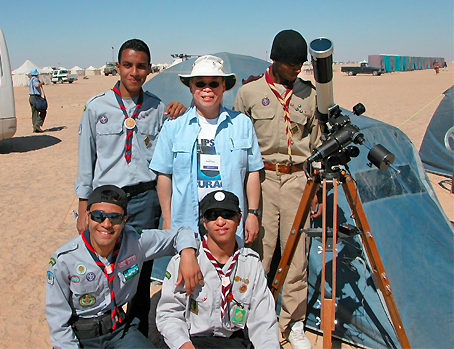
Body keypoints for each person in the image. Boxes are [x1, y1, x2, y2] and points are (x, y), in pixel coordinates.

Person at [74, 38, 187, 337]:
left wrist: (181, 110)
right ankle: (103, 326)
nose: (133, 72)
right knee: (103, 265)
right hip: (107, 202)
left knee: (140, 267)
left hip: (144, 199)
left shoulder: (157, 107)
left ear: (149, 69)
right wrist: (83, 207)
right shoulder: (96, 107)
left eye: (140, 66)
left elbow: (168, 150)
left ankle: (136, 328)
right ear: (118, 67)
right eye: (127, 65)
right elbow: (87, 159)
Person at [234, 29, 322, 349]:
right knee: (260, 253)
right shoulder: (249, 93)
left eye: (301, 64)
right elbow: (238, 146)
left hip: (299, 180)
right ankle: (254, 318)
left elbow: (319, 145)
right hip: (263, 180)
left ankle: (293, 323)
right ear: (275, 60)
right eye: (291, 64)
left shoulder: (309, 94)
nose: (297, 69)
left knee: (297, 256)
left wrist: (318, 193)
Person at [46, 185, 202, 349]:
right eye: (98, 216)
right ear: (87, 216)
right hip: (80, 337)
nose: (106, 224)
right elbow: (58, 319)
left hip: (119, 331)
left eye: (115, 217)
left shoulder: (136, 242)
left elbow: (182, 233)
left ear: (125, 219)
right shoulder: (65, 259)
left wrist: (188, 254)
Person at [149, 55, 263, 247]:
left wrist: (252, 214)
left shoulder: (242, 124)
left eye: (214, 83)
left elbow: (252, 172)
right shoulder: (173, 127)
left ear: (224, 86)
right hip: (187, 224)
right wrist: (167, 220)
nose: (207, 89)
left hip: (229, 222)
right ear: (191, 87)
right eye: (200, 83)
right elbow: (164, 175)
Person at [156, 190, 280, 349]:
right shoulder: (184, 261)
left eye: (228, 214)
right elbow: (169, 314)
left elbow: (263, 321)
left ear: (239, 218)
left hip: (231, 341)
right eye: (213, 216)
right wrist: (184, 345)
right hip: (190, 340)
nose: (220, 222)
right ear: (204, 222)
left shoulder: (251, 264)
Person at [28, 68, 46, 133]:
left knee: (34, 113)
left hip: (31, 97)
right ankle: (37, 124)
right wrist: (41, 83)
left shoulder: (30, 80)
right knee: (43, 111)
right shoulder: (35, 79)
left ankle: (35, 128)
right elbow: (37, 85)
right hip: (36, 97)